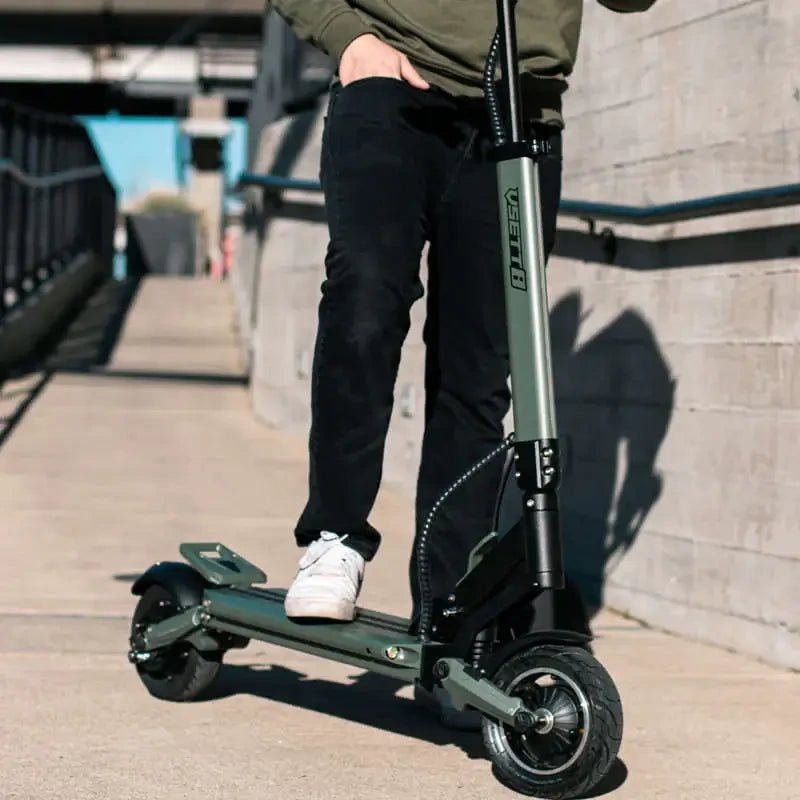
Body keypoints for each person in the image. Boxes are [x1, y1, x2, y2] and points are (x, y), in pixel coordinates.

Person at [267, 0, 657, 668]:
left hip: (522, 111)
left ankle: (451, 611)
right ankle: (334, 539)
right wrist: (348, 38)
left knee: (478, 372)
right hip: (394, 89)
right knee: (367, 299)